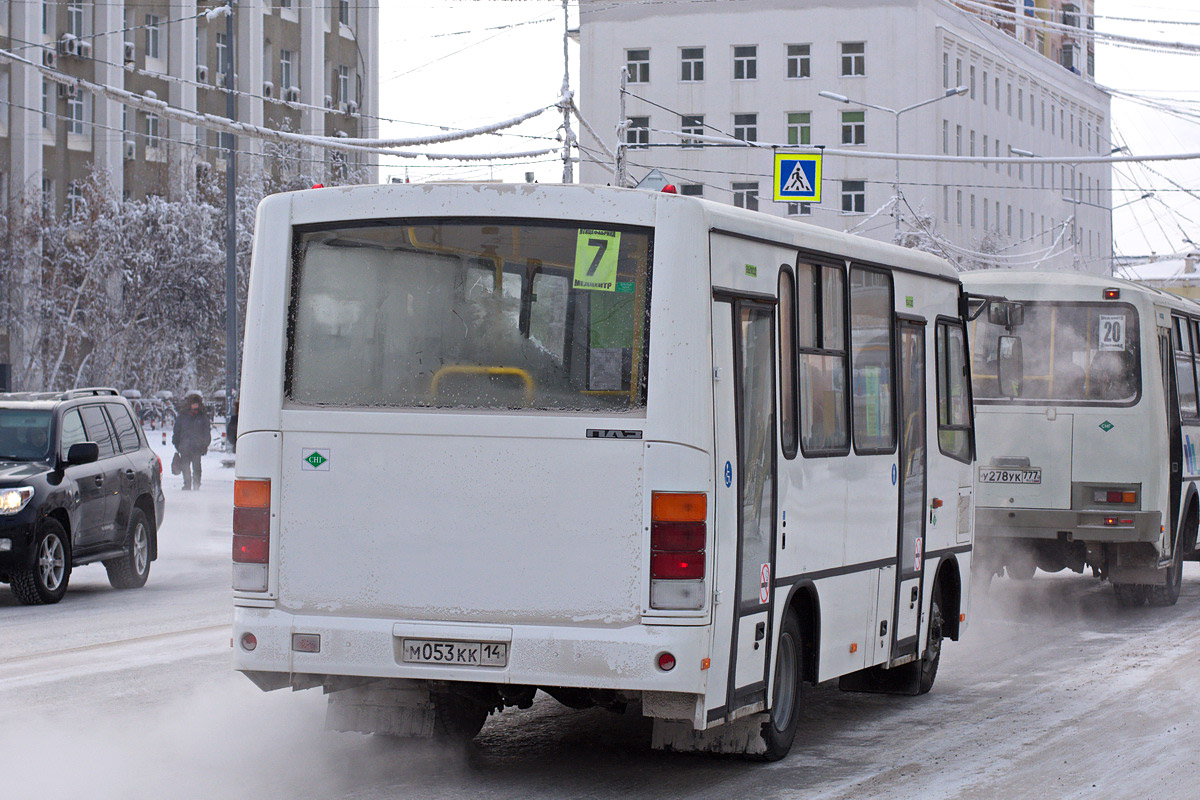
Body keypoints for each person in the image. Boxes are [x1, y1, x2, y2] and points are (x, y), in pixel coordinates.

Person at [172, 392, 212, 490]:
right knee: (185, 466)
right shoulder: (182, 416)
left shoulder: (202, 417)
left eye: (196, 403)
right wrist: (176, 442)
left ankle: (196, 484)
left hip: (197, 446)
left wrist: (205, 445)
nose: (195, 405)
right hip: (184, 446)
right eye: (193, 403)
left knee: (196, 467)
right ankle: (187, 484)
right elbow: (177, 430)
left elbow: (206, 432)